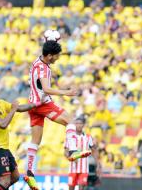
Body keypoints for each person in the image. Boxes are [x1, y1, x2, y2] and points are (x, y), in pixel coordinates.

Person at [25, 41, 91, 189]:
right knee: (71, 121)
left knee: (35, 141)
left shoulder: (37, 60)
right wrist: (66, 92)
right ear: (49, 56)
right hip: (43, 103)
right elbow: (47, 89)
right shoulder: (44, 69)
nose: (58, 58)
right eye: (56, 56)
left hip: (32, 103)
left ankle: (29, 173)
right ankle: (73, 150)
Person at [0, 78, 38, 190]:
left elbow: (20, 108)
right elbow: (3, 124)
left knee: (15, 177)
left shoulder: (1, 103)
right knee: (5, 180)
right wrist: (13, 109)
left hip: (4, 148)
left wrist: (37, 104)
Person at [65, 116, 101, 190]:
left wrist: (98, 164)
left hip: (84, 168)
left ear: (83, 125)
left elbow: (94, 151)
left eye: (80, 123)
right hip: (73, 168)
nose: (78, 125)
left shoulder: (88, 137)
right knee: (71, 187)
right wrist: (72, 158)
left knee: (81, 187)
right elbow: (65, 152)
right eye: (76, 123)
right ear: (74, 125)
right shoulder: (70, 137)